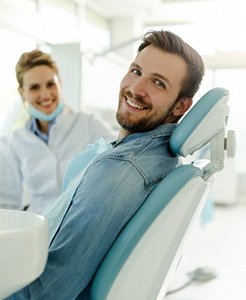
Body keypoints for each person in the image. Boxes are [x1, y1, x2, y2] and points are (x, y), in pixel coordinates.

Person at [6, 29, 205, 299]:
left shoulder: (122, 166)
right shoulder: (146, 156)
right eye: (136, 71)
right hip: (39, 237)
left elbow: (48, 290)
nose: (136, 89)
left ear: (181, 106)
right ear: (22, 93)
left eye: (158, 83)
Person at [0, 49, 115, 214]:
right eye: (34, 88)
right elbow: (9, 200)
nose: (45, 94)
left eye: (50, 84)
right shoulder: (16, 141)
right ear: (22, 92)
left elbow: (119, 156)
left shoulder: (89, 124)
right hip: (37, 227)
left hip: (78, 219)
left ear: (60, 83)